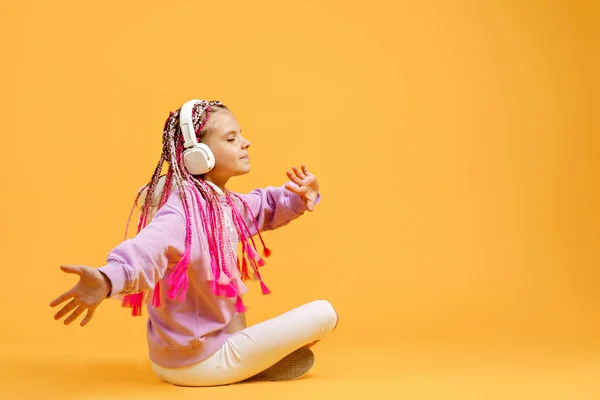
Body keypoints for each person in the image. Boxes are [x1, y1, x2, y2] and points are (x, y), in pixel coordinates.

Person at [49, 99, 338, 386]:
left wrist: (299, 196)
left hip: (177, 359)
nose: (245, 143)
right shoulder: (181, 212)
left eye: (241, 135)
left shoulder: (218, 203)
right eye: (231, 138)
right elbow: (145, 250)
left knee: (231, 298)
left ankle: (249, 359)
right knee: (325, 313)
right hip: (198, 365)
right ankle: (250, 363)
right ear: (199, 155)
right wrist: (106, 279)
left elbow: (261, 206)